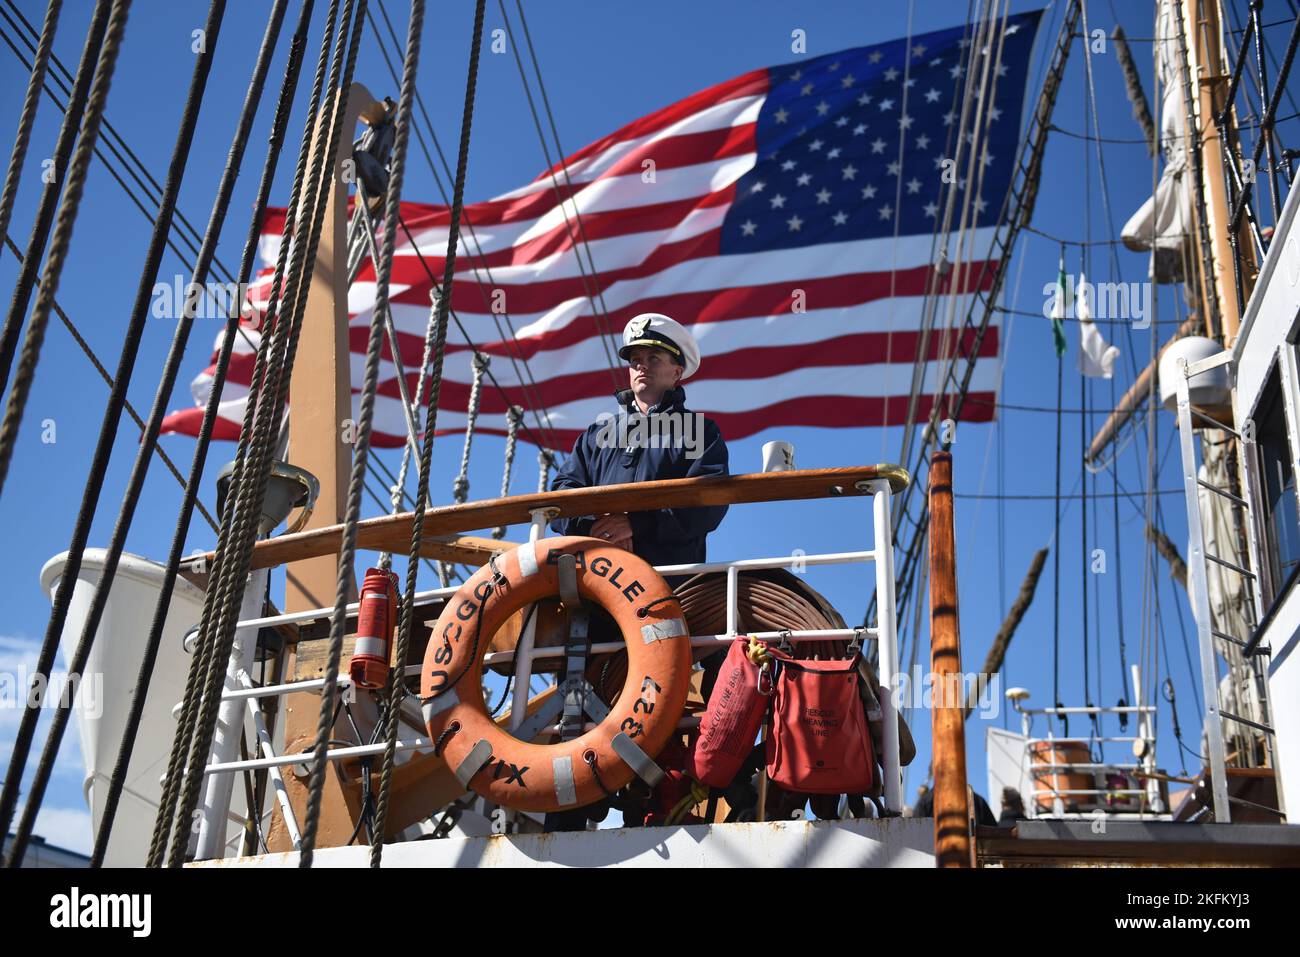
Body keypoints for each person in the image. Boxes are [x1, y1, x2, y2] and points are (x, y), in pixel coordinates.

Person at [549, 312, 729, 570]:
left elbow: (708, 501)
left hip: (670, 582)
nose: (641, 366)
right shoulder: (596, 435)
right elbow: (562, 492)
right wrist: (596, 529)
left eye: (653, 358)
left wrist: (634, 525)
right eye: (635, 361)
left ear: (677, 372)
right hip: (596, 580)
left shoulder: (700, 431)